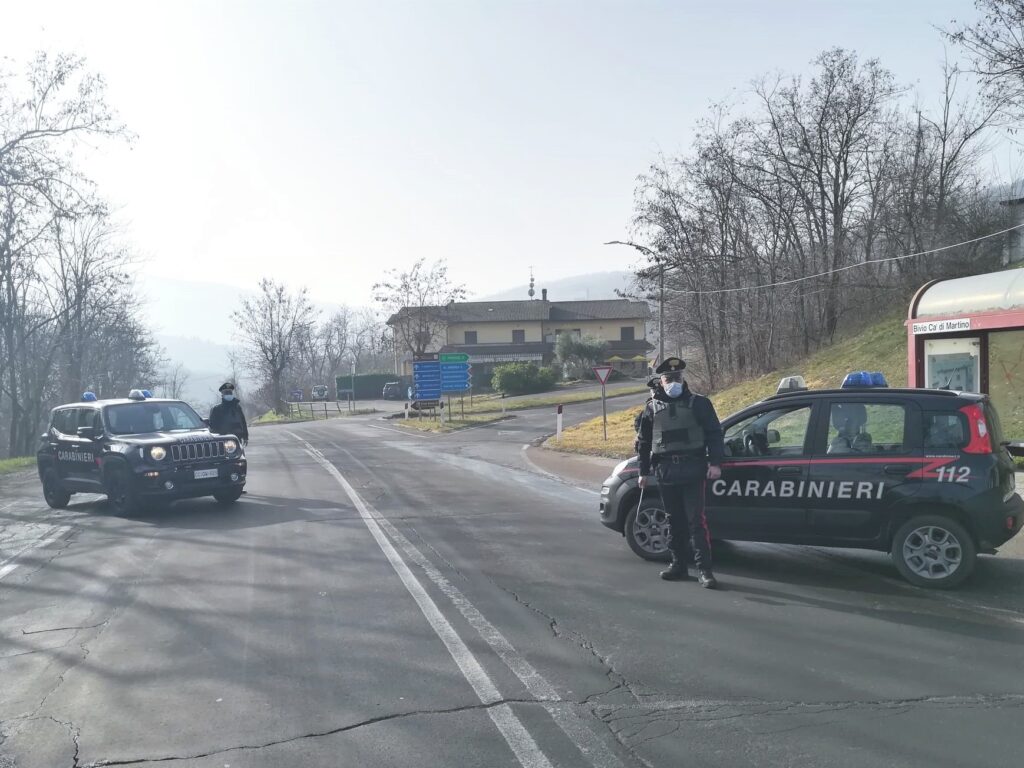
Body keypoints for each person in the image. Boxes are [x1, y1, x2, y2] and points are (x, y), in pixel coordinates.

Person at [635, 358, 725, 588]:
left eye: (677, 378)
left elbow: (715, 434)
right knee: (673, 521)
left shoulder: (699, 404)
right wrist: (642, 472)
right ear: (661, 381)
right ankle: (679, 565)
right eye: (668, 379)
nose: (673, 382)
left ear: (683, 379)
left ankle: (705, 570)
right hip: (665, 470)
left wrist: (715, 463)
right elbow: (643, 442)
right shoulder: (651, 407)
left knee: (696, 522)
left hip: (693, 469)